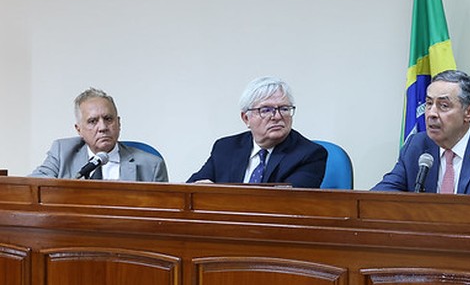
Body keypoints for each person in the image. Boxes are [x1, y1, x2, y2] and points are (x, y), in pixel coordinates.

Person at [372, 69, 470, 195]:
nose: (431, 113)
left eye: (443, 105)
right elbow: (383, 196)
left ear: (469, 112)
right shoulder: (416, 145)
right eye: (429, 103)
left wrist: (430, 214)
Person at [187, 76, 326, 188]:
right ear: (246, 118)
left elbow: (285, 204)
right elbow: (192, 188)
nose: (277, 116)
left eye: (284, 109)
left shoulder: (309, 154)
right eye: (265, 110)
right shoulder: (225, 148)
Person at [30, 87, 168, 181]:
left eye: (108, 119)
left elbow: (162, 217)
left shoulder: (152, 165)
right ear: (79, 129)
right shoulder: (62, 152)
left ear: (118, 123)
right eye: (92, 121)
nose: (102, 127)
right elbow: (32, 187)